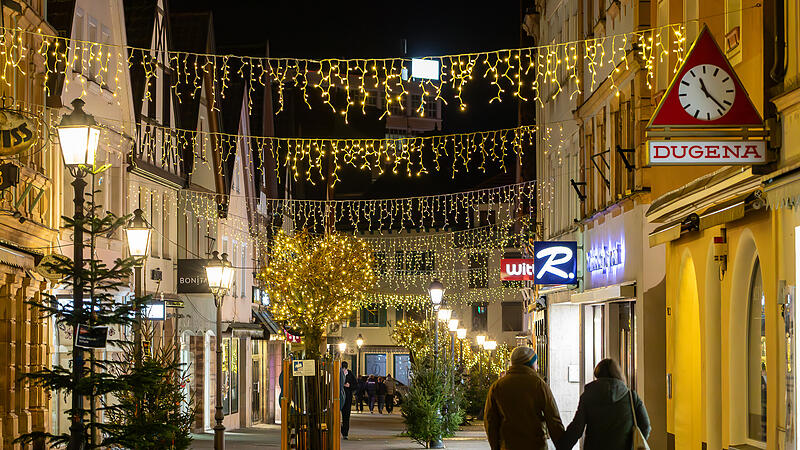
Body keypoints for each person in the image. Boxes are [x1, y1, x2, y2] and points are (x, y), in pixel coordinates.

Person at [557, 358, 650, 450]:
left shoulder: (588, 396)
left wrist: (562, 446)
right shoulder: (632, 397)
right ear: (619, 374)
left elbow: (576, 428)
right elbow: (645, 426)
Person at [484, 346, 564, 450]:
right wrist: (562, 445)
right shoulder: (538, 384)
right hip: (535, 446)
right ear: (530, 363)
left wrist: (496, 446)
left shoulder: (498, 386)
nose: (537, 366)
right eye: (536, 362)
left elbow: (490, 421)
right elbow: (553, 418)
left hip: (509, 446)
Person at [339, 361, 357, 439]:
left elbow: (355, 385)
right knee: (337, 415)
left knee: (346, 416)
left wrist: (349, 386)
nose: (344, 370)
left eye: (344, 368)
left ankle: (345, 432)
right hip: (339, 397)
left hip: (347, 397)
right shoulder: (338, 373)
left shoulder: (350, 374)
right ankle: (340, 430)